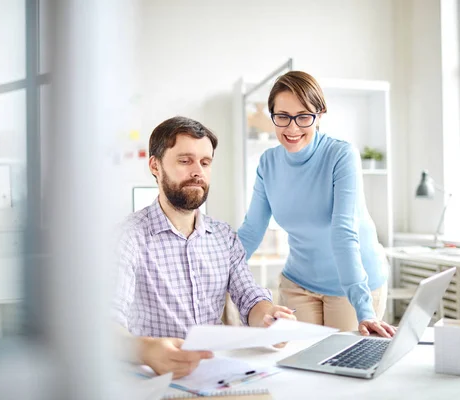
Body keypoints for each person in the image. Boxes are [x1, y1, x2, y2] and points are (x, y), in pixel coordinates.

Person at [113, 116, 295, 378]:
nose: (197, 171)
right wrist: (147, 350)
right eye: (185, 161)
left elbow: (250, 298)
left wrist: (269, 319)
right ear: (155, 166)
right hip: (154, 378)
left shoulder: (223, 236)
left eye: (205, 162)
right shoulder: (128, 236)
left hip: (215, 373)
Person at [238, 71, 395, 338]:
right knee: (297, 363)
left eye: (303, 117)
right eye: (282, 116)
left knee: (343, 367)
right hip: (298, 282)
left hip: (354, 285)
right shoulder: (268, 163)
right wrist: (216, 271)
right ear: (272, 116)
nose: (292, 127)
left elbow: (343, 232)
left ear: (319, 115)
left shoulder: (340, 155)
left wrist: (364, 310)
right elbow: (251, 230)